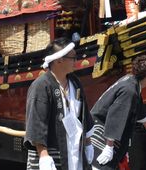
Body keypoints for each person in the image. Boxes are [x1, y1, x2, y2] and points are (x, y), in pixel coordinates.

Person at [24, 37, 94, 170]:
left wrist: (88, 142)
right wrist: (43, 156)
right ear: (59, 60)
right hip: (55, 151)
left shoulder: (75, 82)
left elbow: (84, 115)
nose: (76, 61)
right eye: (73, 58)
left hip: (75, 148)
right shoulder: (41, 86)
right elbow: (36, 123)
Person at [90, 55, 146, 170]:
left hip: (103, 129)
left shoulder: (130, 80)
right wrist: (109, 147)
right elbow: (115, 117)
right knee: (100, 166)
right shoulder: (129, 91)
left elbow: (139, 106)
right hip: (102, 131)